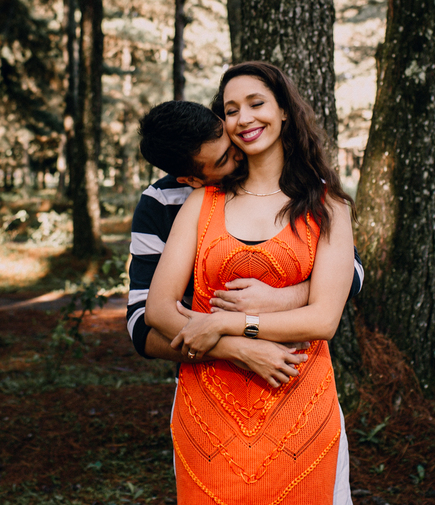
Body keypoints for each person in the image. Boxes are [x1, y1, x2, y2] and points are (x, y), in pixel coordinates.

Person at [145, 62, 357, 504]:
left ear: (284, 111)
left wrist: (227, 324)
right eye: (231, 110)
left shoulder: (328, 206)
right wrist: (228, 341)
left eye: (256, 104)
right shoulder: (202, 201)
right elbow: (158, 310)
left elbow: (323, 319)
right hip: (207, 416)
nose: (244, 118)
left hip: (301, 405)